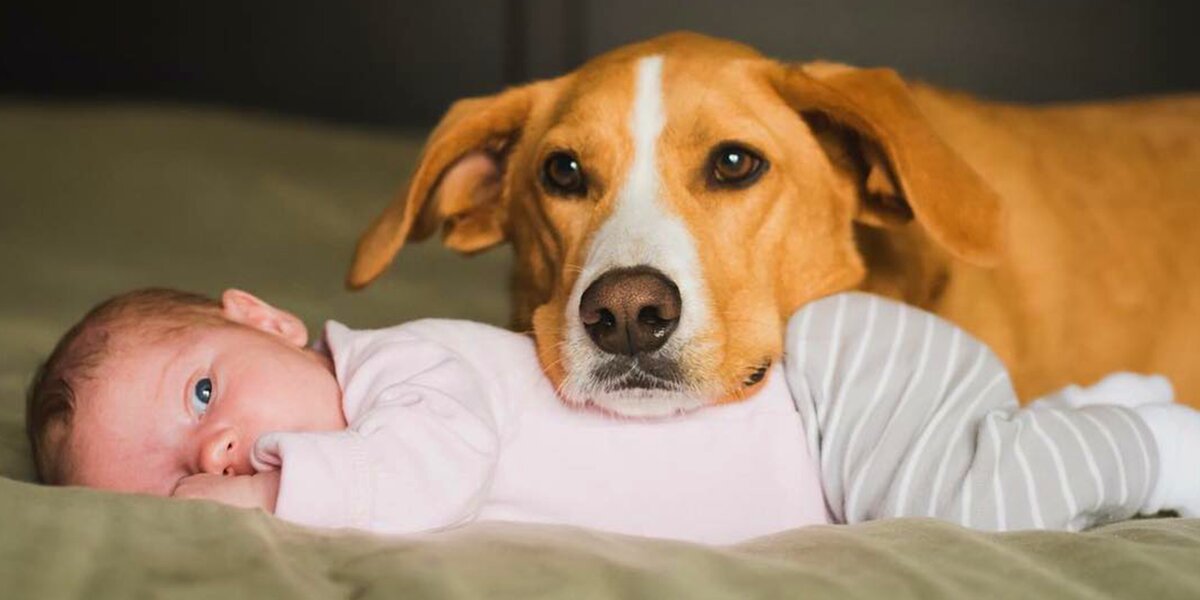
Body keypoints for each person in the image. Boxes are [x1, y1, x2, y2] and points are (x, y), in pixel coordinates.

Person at [25, 288, 1200, 544]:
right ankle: (1078, 416)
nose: (222, 453)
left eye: (203, 396)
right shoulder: (370, 432)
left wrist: (256, 488)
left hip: (831, 387)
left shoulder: (405, 375)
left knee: (963, 516)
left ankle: (1154, 442)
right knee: (950, 476)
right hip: (859, 437)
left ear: (266, 320)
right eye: (176, 474)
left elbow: (424, 476)